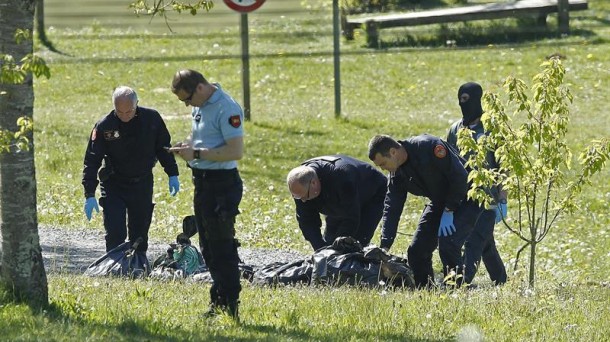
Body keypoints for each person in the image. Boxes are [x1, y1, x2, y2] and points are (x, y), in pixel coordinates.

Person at [169, 69, 244, 320]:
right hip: (202, 183)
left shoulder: (227, 108)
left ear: (200, 88)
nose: (187, 104)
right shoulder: (199, 105)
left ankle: (231, 304)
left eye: (187, 99)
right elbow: (199, 136)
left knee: (223, 247)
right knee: (208, 247)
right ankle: (218, 300)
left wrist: (198, 154)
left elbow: (235, 151)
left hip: (222, 185)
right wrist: (187, 145)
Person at [367, 134, 483, 288]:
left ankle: (457, 290)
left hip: (469, 196)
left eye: (383, 163)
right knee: (417, 251)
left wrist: (449, 209)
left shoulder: (428, 147)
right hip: (440, 201)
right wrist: (385, 244)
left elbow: (460, 177)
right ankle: (425, 291)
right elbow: (392, 207)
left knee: (448, 243)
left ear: (393, 152)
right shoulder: (397, 174)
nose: (383, 169)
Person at [82, 86, 180, 255]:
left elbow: (163, 148)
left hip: (141, 182)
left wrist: (172, 173)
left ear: (137, 105)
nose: (125, 116)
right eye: (120, 112)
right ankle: (114, 265)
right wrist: (89, 193)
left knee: (139, 233)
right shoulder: (105, 126)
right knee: (115, 231)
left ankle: (137, 265)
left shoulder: (152, 119)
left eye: (129, 111)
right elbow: (92, 160)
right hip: (114, 183)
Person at [446, 81, 507, 285]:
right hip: (464, 197)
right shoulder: (455, 129)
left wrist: (502, 199)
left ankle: (461, 283)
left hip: (487, 197)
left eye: (467, 99)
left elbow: (503, 165)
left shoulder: (492, 128)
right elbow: (449, 164)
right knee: (484, 241)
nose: (463, 104)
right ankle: (501, 279)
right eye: (460, 99)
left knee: (474, 241)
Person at [286, 155, 388, 251]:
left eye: (304, 196)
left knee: (354, 244)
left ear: (314, 183)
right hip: (337, 198)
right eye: (298, 197)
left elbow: (351, 218)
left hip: (373, 193)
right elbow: (306, 221)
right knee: (328, 245)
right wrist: (320, 249)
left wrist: (339, 249)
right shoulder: (300, 185)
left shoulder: (342, 178)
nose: (303, 201)